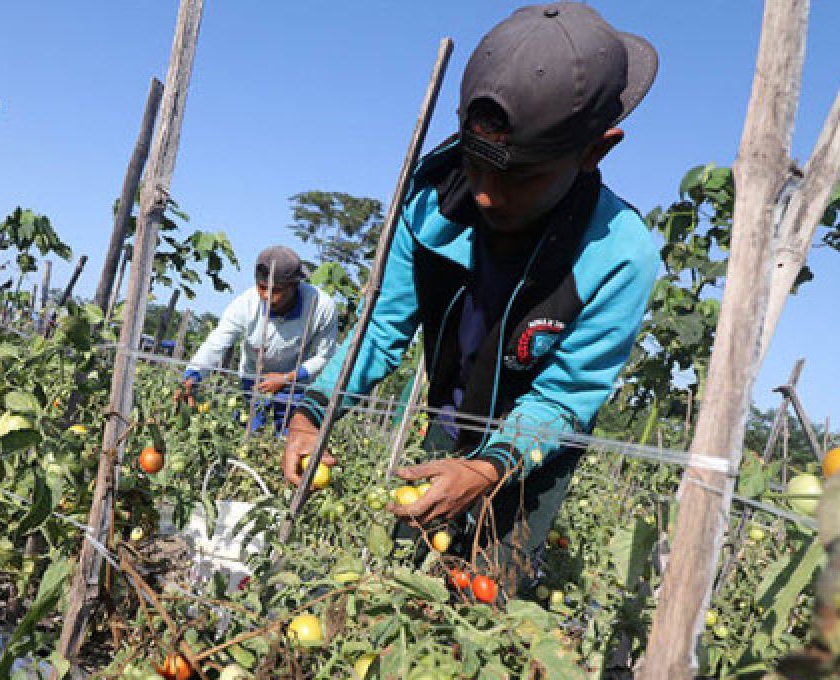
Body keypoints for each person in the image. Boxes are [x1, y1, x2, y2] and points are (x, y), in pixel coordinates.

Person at [282, 3, 661, 592]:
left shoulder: (618, 256)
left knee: (486, 601)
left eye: (521, 176)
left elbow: (565, 398)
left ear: (597, 150)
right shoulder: (431, 203)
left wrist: (489, 468)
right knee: (400, 582)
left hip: (530, 457)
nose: (485, 195)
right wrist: (313, 411)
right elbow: (381, 327)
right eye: (476, 164)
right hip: (447, 427)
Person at [177, 245, 339, 435]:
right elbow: (216, 344)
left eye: (276, 290)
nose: (267, 296)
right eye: (262, 288)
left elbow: (325, 356)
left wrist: (287, 378)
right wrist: (191, 377)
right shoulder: (245, 305)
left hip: (297, 383)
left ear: (294, 285)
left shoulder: (321, 307)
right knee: (248, 434)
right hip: (254, 378)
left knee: (291, 437)